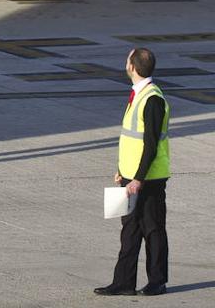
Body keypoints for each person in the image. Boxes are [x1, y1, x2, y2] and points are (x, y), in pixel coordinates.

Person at [94, 47, 171, 297]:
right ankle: (123, 282)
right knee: (130, 229)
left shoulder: (152, 99)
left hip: (149, 178)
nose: (125, 64)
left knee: (153, 229)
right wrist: (121, 170)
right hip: (131, 176)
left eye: (127, 60)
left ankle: (157, 281)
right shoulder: (138, 95)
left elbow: (150, 144)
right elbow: (131, 139)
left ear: (132, 67)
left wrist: (138, 178)